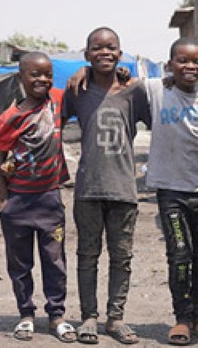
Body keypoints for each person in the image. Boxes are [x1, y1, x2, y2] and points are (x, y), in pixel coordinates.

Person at [68, 37, 198, 346]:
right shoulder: (156, 89)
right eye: (182, 61)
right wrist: (83, 71)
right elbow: (111, 77)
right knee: (178, 256)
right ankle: (181, 318)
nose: (190, 66)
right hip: (170, 192)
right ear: (169, 65)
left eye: (196, 61)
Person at [62, 26, 151, 345]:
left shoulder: (135, 91)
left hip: (124, 189)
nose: (104, 53)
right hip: (87, 188)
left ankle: (116, 319)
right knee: (87, 254)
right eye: (96, 49)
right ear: (86, 56)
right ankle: (89, 317)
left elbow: (159, 124)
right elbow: (51, 125)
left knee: (122, 256)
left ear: (120, 52)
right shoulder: (77, 90)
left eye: (111, 47)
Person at [0, 51, 76, 343]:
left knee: (55, 261)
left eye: (48, 74)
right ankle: (26, 314)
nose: (42, 79)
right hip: (18, 201)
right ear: (21, 77)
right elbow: (0, 156)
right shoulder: (11, 117)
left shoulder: (58, 100)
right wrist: (4, 198)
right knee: (19, 263)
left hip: (49, 199)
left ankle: (57, 316)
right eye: (35, 74)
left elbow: (83, 88)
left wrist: (84, 74)